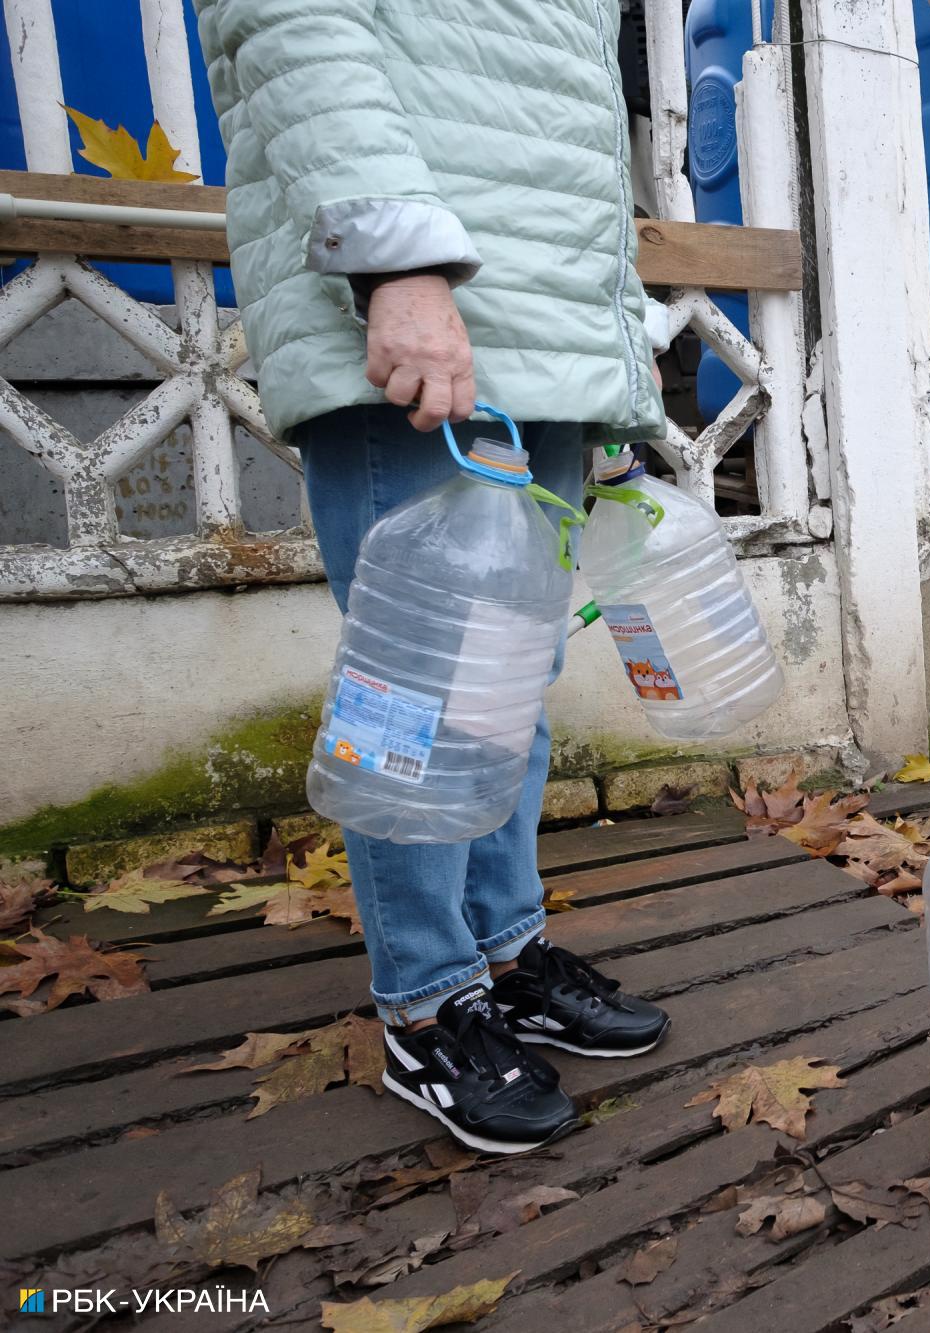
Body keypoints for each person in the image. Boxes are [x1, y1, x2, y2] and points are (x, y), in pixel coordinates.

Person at [196, 0, 674, 1152]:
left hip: (535, 326)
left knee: (507, 677)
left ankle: (505, 953)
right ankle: (425, 1002)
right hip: (415, 304)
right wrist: (397, 266)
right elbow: (295, 26)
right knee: (412, 697)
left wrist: (605, 378)